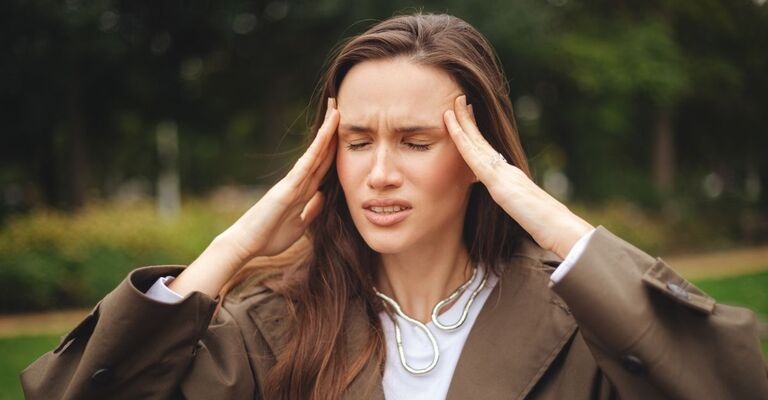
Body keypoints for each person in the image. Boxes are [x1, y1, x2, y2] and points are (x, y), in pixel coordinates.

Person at [21, 12, 768, 400]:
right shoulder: (271, 326)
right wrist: (237, 245)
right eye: (354, 141)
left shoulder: (580, 323)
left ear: (480, 156)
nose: (379, 173)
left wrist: (538, 210)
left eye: (415, 141)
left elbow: (728, 384)